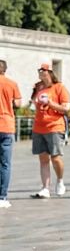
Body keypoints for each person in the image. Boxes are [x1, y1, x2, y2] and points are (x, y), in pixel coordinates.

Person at [30, 64, 70, 199]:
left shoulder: (59, 87)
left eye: (45, 73)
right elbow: (33, 102)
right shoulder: (39, 88)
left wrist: (50, 103)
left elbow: (65, 108)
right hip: (39, 127)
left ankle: (60, 180)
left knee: (55, 157)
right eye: (40, 73)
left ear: (50, 74)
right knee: (43, 158)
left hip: (55, 126)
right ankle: (45, 187)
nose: (42, 76)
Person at [0, 60, 20, 209]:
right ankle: (3, 197)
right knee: (5, 164)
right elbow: (18, 104)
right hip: (6, 125)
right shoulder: (11, 84)